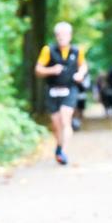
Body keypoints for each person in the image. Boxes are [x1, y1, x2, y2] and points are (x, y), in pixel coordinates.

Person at [35, 22, 87, 165]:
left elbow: (83, 65)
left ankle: (63, 151)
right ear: (56, 36)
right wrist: (51, 70)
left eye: (64, 35)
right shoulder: (48, 50)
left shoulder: (77, 51)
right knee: (56, 124)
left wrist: (81, 74)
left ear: (70, 36)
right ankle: (58, 147)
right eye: (59, 35)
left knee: (65, 119)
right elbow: (38, 70)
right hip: (52, 90)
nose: (61, 37)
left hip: (70, 89)